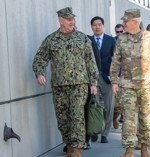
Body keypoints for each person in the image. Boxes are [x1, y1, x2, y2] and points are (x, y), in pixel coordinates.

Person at [32, 7, 99, 157]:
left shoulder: (82, 38)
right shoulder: (51, 39)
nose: (71, 21)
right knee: (62, 118)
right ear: (60, 20)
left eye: (72, 19)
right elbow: (39, 59)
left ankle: (77, 150)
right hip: (59, 86)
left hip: (79, 84)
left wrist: (93, 82)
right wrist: (40, 73)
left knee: (77, 116)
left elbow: (91, 61)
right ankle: (69, 145)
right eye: (68, 19)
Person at [110, 9, 150, 157]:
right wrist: (114, 80)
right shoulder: (121, 39)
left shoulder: (149, 37)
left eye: (125, 21)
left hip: (146, 86)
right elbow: (115, 62)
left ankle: (144, 149)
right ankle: (128, 151)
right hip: (127, 85)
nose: (123, 24)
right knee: (128, 119)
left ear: (135, 22)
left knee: (146, 117)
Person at [91, 16, 116, 143]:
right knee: (93, 106)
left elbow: (117, 60)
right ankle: (95, 130)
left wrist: (114, 79)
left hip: (107, 78)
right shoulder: (88, 40)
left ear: (103, 26)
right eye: (94, 25)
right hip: (92, 80)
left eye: (99, 24)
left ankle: (105, 133)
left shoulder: (111, 40)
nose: (97, 26)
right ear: (92, 27)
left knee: (108, 106)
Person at [113, 23, 125, 129]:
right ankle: (115, 117)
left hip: (127, 75)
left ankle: (123, 117)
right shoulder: (113, 42)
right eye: (118, 32)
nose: (120, 33)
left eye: (122, 31)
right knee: (117, 103)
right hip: (117, 75)